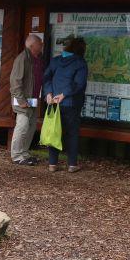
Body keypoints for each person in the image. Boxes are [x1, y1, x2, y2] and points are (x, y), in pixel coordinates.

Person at [43, 36, 88, 173]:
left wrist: (49, 93)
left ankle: (52, 164)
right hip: (71, 103)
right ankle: (72, 165)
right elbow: (79, 84)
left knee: (54, 131)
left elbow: (46, 78)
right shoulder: (80, 63)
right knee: (72, 133)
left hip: (54, 103)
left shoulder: (56, 61)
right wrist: (65, 94)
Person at [9, 34, 44, 165]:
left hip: (33, 99)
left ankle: (24, 153)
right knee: (22, 126)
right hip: (22, 99)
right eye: (40, 43)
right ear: (31, 45)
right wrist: (21, 100)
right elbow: (15, 82)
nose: (42, 45)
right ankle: (17, 155)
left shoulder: (38, 58)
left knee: (31, 127)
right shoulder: (22, 58)